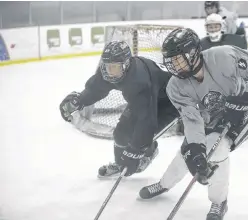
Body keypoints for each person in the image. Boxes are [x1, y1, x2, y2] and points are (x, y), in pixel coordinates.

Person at [138, 28, 248, 220]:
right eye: (171, 62)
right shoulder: (175, 86)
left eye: (178, 59)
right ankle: (165, 184)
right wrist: (195, 148)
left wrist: (246, 98)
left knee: (217, 148)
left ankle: (219, 202)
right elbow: (192, 119)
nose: (174, 67)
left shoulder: (224, 56)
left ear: (193, 53)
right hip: (212, 115)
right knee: (189, 151)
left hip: (245, 111)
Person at [59, 40, 179, 177]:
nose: (109, 72)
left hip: (169, 101)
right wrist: (79, 100)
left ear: (126, 64)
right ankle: (119, 164)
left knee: (142, 135)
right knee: (121, 133)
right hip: (145, 98)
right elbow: (96, 88)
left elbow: (146, 121)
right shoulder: (112, 71)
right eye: (107, 67)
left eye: (114, 67)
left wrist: (136, 150)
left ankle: (149, 153)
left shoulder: (139, 80)